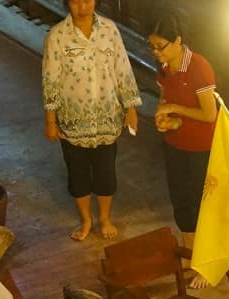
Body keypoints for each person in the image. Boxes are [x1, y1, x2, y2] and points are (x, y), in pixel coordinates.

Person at [42, 0, 142, 241]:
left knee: (106, 173)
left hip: (107, 119)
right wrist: (51, 121)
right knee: (77, 175)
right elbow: (50, 80)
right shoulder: (57, 36)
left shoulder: (109, 30)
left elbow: (122, 69)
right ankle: (86, 220)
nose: (82, 7)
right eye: (75, 1)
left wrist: (131, 107)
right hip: (72, 123)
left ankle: (105, 218)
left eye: (86, 0)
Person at [149, 13, 218, 288]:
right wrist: (163, 118)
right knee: (181, 198)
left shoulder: (199, 67)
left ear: (178, 41)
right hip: (175, 143)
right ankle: (191, 255)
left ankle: (210, 260)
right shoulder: (164, 67)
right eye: (151, 46)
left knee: (203, 200)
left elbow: (209, 114)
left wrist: (174, 110)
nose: (155, 52)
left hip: (201, 146)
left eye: (160, 46)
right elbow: (165, 98)